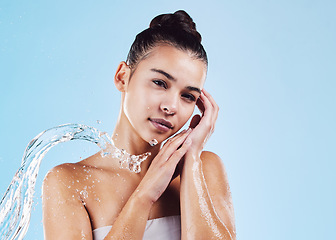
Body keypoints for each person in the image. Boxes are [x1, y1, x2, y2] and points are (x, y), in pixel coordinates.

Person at [42, 10, 235, 240]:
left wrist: (191, 159)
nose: (171, 106)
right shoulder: (68, 182)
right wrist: (144, 195)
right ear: (122, 76)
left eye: (188, 96)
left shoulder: (205, 168)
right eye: (160, 83)